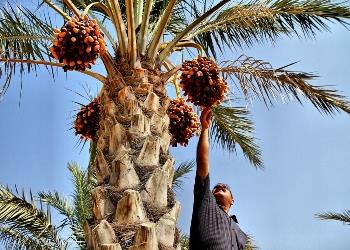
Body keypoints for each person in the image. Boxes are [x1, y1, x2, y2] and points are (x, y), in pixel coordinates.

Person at [189, 107, 248, 250]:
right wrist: (205, 129)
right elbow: (202, 163)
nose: (221, 186)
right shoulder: (206, 200)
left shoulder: (241, 234)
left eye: (225, 188)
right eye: (216, 187)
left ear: (232, 200)